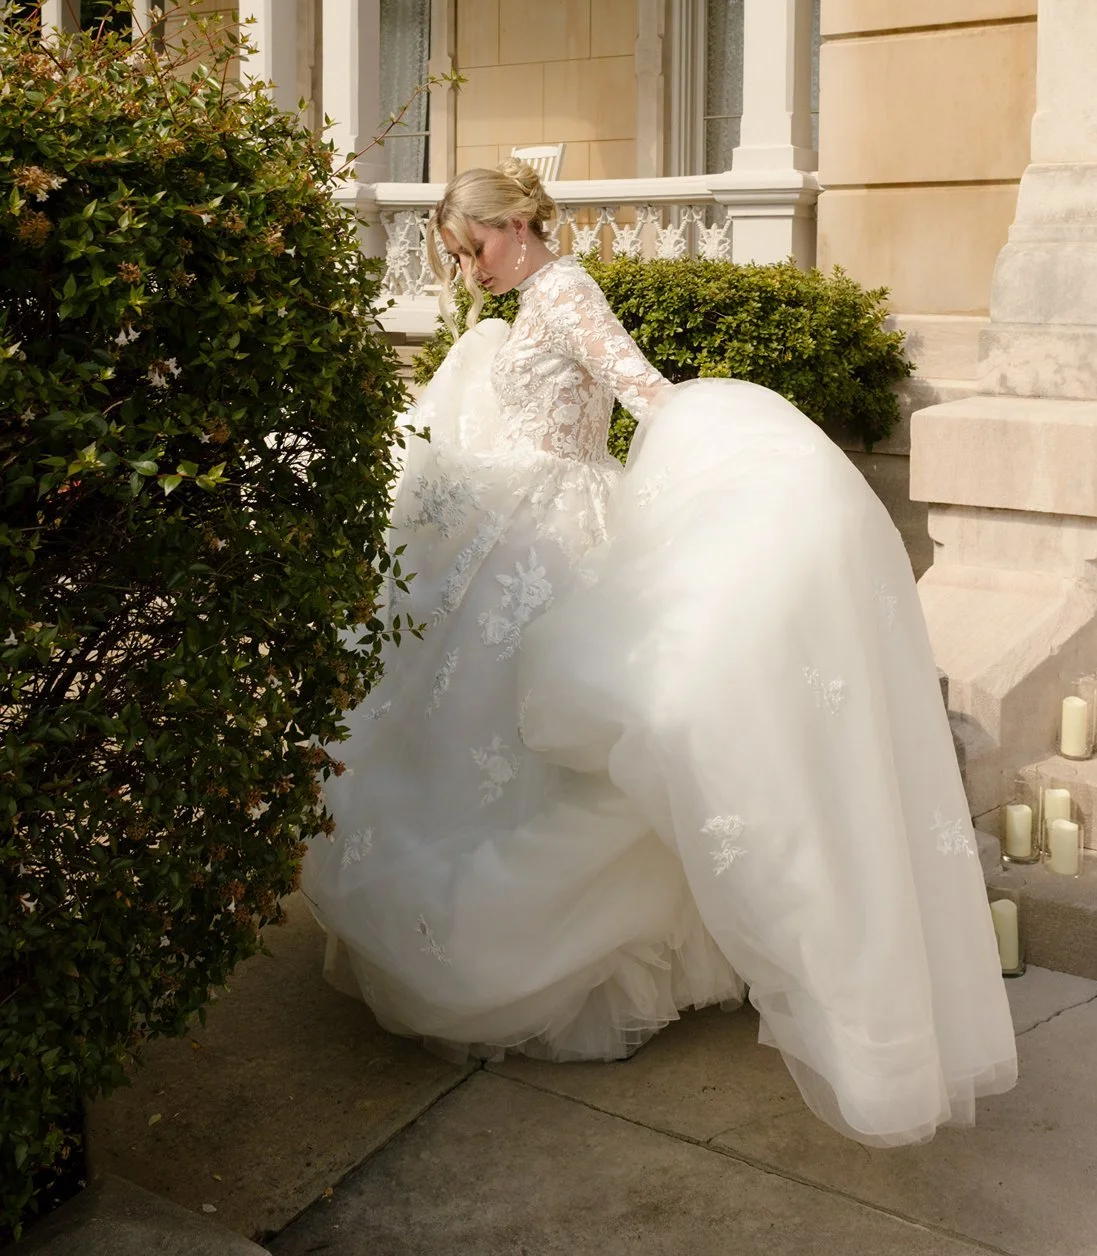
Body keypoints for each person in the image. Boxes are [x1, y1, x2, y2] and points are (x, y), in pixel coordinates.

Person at [303, 159, 1017, 1147]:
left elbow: (645, 392)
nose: (469, 272)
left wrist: (744, 465)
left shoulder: (565, 293)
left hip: (559, 531)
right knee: (480, 736)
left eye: (472, 250)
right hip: (509, 537)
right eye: (458, 257)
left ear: (514, 225)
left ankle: (576, 956)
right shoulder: (524, 303)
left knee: (564, 747)